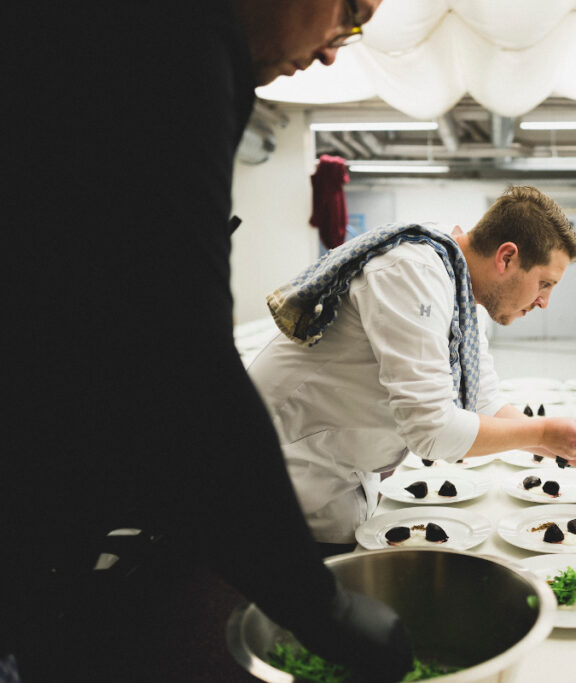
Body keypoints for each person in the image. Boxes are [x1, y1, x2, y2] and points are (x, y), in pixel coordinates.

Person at [3, 2, 417, 682]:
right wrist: (319, 605)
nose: (334, 50)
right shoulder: (176, 37)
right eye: (348, 11)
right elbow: (179, 357)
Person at [247, 187, 576, 551]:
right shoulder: (412, 273)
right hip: (285, 470)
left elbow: (483, 400)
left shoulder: (457, 282)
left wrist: (572, 450)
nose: (544, 301)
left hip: (336, 469)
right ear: (506, 257)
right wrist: (544, 430)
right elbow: (433, 431)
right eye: (545, 283)